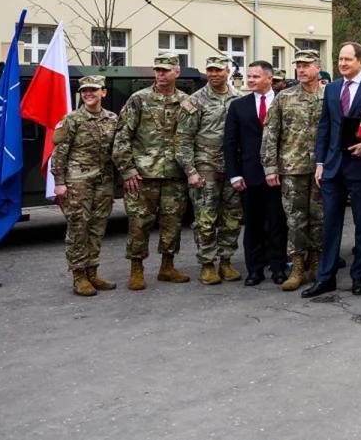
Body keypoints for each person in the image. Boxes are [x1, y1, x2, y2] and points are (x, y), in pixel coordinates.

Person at [306, 42, 361, 298]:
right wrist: (320, 163)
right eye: (340, 59)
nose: (343, 63)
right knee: (330, 225)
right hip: (333, 166)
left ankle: (358, 276)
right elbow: (325, 127)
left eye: (348, 59)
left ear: (360, 61)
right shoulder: (333, 89)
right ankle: (325, 278)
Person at [113, 54, 190, 289]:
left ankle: (167, 266)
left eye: (166, 70)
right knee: (139, 223)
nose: (160, 74)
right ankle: (136, 269)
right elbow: (122, 137)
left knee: (173, 222)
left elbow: (190, 136)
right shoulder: (139, 99)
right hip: (143, 175)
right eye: (157, 70)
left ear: (177, 72)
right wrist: (127, 170)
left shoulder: (186, 101)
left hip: (174, 174)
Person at [261, 49, 325, 292]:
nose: (301, 69)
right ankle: (297, 265)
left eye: (306, 64)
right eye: (298, 64)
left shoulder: (328, 96)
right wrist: (269, 167)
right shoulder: (284, 97)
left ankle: (317, 263)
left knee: (319, 219)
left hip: (321, 169)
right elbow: (270, 134)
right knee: (295, 220)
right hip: (292, 168)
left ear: (318, 67)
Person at [176, 55, 242, 285]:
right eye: (210, 70)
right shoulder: (195, 101)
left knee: (232, 216)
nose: (214, 74)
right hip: (205, 163)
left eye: (218, 70)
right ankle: (207, 264)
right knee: (206, 217)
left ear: (228, 72)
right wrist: (191, 171)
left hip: (232, 163)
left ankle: (225, 260)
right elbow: (183, 140)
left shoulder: (238, 99)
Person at [52, 75, 119, 296]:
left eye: (93, 90)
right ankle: (78, 275)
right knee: (78, 227)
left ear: (103, 92)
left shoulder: (112, 119)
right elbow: (59, 152)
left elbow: (118, 150)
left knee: (97, 227)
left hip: (103, 180)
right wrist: (59, 182)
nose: (88, 94)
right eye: (84, 91)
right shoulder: (71, 119)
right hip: (77, 180)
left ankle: (93, 272)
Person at [223, 60, 288, 286]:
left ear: (269, 79)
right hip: (249, 176)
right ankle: (255, 270)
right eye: (249, 76)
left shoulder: (283, 102)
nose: (250, 80)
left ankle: (279, 268)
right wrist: (234, 174)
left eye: (255, 77)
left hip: (278, 174)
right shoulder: (238, 106)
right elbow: (230, 143)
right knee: (253, 225)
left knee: (278, 223)